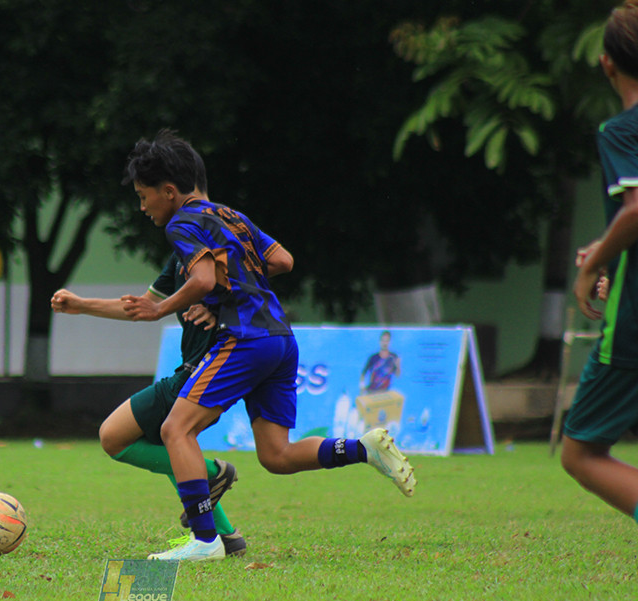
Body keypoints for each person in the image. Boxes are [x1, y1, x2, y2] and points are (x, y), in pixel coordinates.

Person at [120, 129, 416, 561]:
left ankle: (205, 540)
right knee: (276, 455)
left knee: (174, 430)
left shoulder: (183, 223)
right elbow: (282, 260)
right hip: (281, 339)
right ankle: (363, 448)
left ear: (168, 191)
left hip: (247, 340)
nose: (142, 206)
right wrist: (232, 290)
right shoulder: (232, 217)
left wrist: (161, 308)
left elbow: (201, 279)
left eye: (144, 196)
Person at [51, 258, 248, 556]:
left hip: (203, 373)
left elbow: (265, 276)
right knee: (167, 441)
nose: (143, 208)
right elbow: (145, 306)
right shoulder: (180, 256)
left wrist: (222, 308)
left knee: (113, 436)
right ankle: (225, 535)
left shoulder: (214, 248)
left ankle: (211, 474)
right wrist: (81, 305)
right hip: (196, 371)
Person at [561, 0, 638, 525]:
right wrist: (608, 247)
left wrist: (592, 267)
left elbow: (636, 209)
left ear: (607, 63)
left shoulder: (622, 131)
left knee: (581, 452)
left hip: (633, 323)